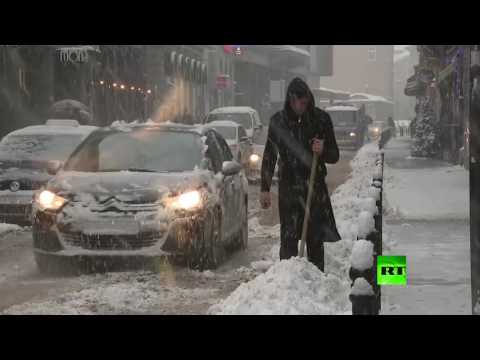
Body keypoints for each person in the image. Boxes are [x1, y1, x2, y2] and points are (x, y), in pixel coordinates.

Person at [260, 78, 341, 271]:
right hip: (289, 188)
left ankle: (316, 282)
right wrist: (264, 188)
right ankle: (287, 281)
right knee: (288, 239)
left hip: (314, 188)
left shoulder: (320, 120)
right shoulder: (278, 122)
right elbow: (269, 156)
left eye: (305, 103)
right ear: (291, 99)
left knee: (315, 240)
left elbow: (335, 155)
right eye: (298, 103)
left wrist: (323, 150)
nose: (301, 107)